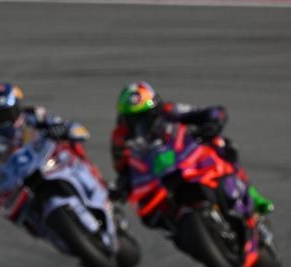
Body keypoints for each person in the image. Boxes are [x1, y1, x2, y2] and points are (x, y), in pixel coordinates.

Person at [110, 81, 273, 214]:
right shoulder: (121, 136)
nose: (142, 124)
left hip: (185, 156)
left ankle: (253, 194)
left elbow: (210, 112)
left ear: (156, 109)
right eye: (134, 120)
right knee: (147, 210)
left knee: (222, 144)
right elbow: (122, 168)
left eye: (146, 117)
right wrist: (122, 187)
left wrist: (211, 124)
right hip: (155, 177)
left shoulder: (169, 110)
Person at [0, 82, 96, 208]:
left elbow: (73, 128)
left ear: (16, 108)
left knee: (72, 147)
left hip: (46, 159)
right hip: (17, 178)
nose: (2, 120)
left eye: (5, 114)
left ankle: (94, 181)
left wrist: (60, 129)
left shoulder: (33, 115)